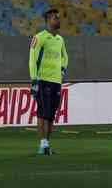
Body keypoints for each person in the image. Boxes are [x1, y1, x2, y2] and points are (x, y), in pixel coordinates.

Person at [29, 9, 68, 155]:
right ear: (48, 20)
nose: (58, 20)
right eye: (55, 18)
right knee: (42, 113)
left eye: (58, 18)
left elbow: (65, 57)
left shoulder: (60, 39)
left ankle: (47, 145)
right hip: (42, 80)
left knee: (51, 115)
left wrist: (63, 70)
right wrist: (34, 80)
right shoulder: (39, 38)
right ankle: (42, 145)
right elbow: (32, 59)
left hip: (56, 82)